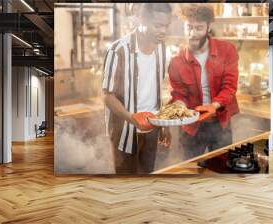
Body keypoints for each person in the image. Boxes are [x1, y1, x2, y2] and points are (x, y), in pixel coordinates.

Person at [102, 3, 172, 174]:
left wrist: (164, 123)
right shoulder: (118, 50)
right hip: (125, 130)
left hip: (153, 127)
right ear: (142, 20)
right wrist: (132, 118)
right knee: (126, 182)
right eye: (158, 25)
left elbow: (158, 89)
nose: (163, 31)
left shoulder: (162, 48)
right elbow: (107, 95)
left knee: (147, 175)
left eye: (166, 26)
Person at [168, 4, 239, 159]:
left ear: (208, 27)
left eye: (198, 28)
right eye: (189, 27)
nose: (192, 34)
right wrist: (179, 105)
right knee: (190, 171)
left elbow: (230, 87)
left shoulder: (227, 50)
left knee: (223, 169)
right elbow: (179, 93)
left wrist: (213, 106)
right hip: (192, 127)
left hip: (220, 123)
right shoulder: (176, 61)